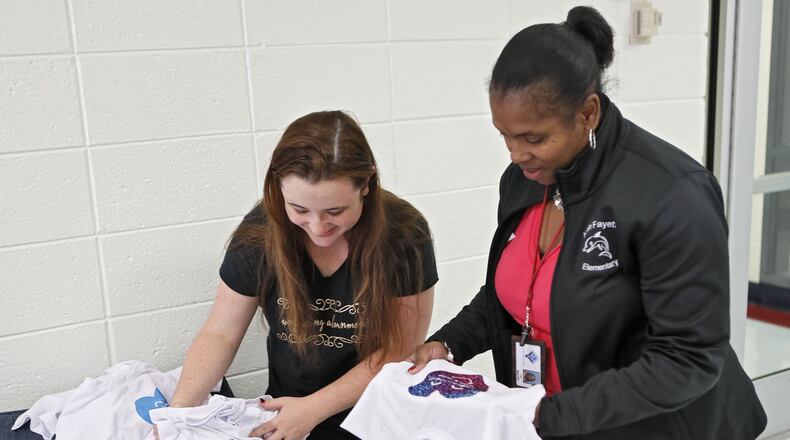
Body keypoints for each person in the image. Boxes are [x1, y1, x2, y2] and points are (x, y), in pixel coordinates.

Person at [409, 6, 766, 439]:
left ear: (588, 113)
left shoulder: (672, 194)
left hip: (661, 428)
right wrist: (448, 345)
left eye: (534, 138)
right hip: (563, 421)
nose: (515, 154)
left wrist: (553, 415)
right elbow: (516, 290)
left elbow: (688, 358)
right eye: (504, 134)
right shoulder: (524, 181)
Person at [168, 110, 437, 440]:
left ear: (365, 184)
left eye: (335, 211)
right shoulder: (260, 233)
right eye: (299, 210)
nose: (318, 226)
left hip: (377, 416)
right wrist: (177, 416)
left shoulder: (404, 234)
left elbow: (398, 347)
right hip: (288, 411)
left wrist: (313, 408)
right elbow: (220, 334)